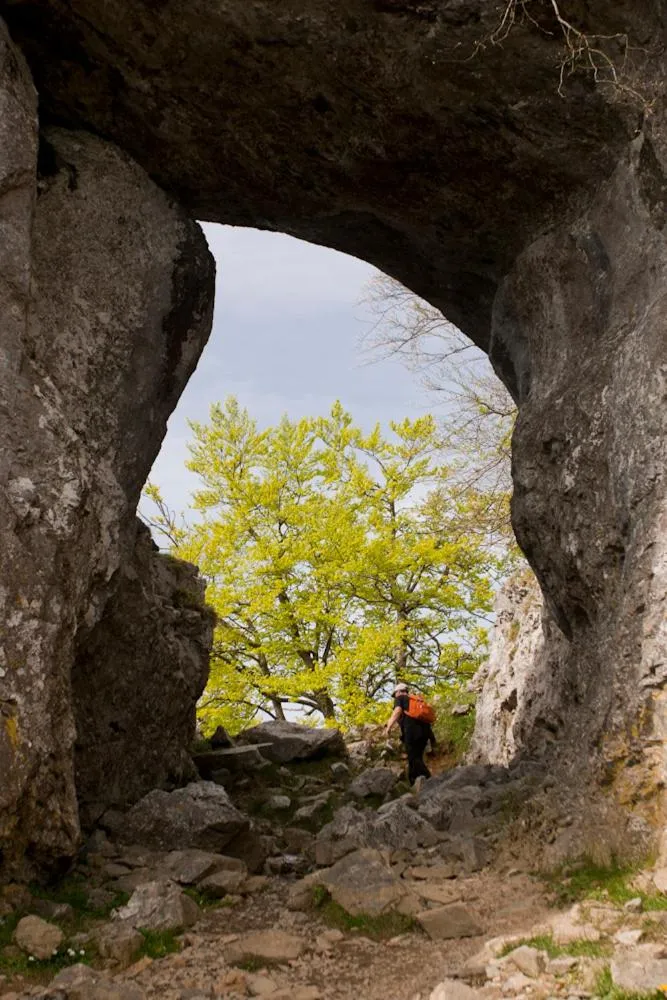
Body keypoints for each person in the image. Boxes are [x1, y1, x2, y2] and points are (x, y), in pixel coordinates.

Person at [385, 682, 432, 787]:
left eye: (395, 694)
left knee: (413, 758)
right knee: (417, 757)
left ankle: (429, 780)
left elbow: (397, 711)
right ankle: (415, 782)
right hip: (425, 733)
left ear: (400, 692)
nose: (395, 697)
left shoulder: (400, 698)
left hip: (412, 733)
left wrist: (389, 726)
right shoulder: (415, 700)